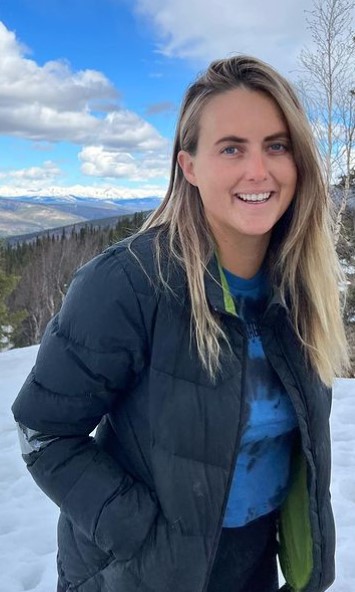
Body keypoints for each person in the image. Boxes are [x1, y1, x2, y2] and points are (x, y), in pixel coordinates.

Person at [12, 55, 349, 592]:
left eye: (277, 145)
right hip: (136, 573)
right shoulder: (128, 284)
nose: (258, 170)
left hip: (253, 563)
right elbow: (43, 429)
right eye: (232, 148)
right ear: (189, 166)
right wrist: (140, 532)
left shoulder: (301, 288)